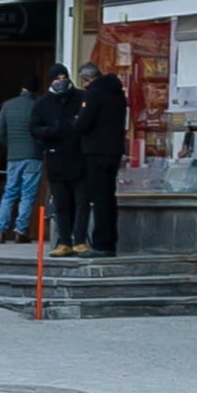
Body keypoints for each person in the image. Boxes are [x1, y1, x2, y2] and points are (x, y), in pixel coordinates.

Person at [63, 62, 130, 259]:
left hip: (96, 151)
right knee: (109, 197)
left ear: (86, 79)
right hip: (113, 151)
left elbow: (84, 123)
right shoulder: (118, 94)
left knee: (99, 199)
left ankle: (100, 244)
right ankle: (109, 242)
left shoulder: (94, 93)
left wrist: (73, 122)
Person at [0, 72, 56, 247]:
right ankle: (20, 232)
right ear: (36, 90)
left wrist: (10, 146)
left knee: (9, 193)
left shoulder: (7, 105)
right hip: (33, 156)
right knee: (27, 195)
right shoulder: (37, 106)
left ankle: (0, 231)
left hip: (13, 157)